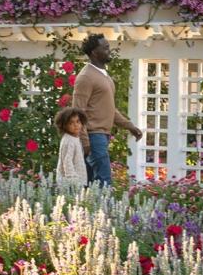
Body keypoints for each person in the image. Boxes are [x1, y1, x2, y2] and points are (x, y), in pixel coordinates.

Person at [72, 33, 142, 187]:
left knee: (91, 185)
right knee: (104, 183)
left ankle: (85, 211)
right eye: (105, 48)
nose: (109, 50)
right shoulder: (86, 77)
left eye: (108, 47)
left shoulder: (104, 76)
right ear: (94, 52)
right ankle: (104, 211)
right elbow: (77, 112)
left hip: (101, 137)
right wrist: (85, 143)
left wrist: (130, 126)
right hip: (92, 137)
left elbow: (110, 109)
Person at [54, 107, 89, 186]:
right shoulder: (68, 141)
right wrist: (72, 179)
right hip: (70, 183)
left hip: (78, 180)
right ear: (64, 126)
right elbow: (67, 161)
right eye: (71, 123)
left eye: (78, 121)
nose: (76, 125)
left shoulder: (75, 138)